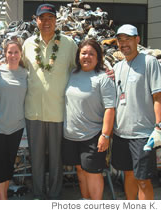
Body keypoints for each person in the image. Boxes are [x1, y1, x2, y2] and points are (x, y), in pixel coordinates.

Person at [22, 4, 78, 199]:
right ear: (35, 20)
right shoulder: (27, 44)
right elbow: (20, 69)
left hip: (58, 111)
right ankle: (38, 194)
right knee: (36, 158)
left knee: (56, 159)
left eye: (50, 18)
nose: (46, 22)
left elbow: (80, 69)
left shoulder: (69, 44)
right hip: (34, 111)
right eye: (42, 18)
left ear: (56, 20)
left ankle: (54, 195)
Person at [111, 24, 161, 200]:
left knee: (143, 180)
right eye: (120, 40)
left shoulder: (150, 62)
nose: (124, 43)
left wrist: (159, 127)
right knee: (128, 175)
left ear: (137, 40)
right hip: (121, 134)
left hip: (143, 134)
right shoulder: (117, 67)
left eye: (128, 39)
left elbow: (158, 97)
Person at [62, 39, 116, 200]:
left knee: (93, 173)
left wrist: (105, 135)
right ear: (78, 55)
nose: (87, 56)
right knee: (80, 170)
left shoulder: (103, 78)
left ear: (98, 57)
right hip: (71, 135)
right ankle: (85, 201)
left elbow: (110, 108)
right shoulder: (72, 73)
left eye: (92, 53)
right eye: (83, 53)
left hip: (93, 136)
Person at [0, 40, 28, 200]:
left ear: (21, 54)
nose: (13, 55)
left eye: (16, 52)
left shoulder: (25, 73)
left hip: (16, 126)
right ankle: (3, 198)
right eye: (10, 52)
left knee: (9, 162)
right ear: (5, 53)